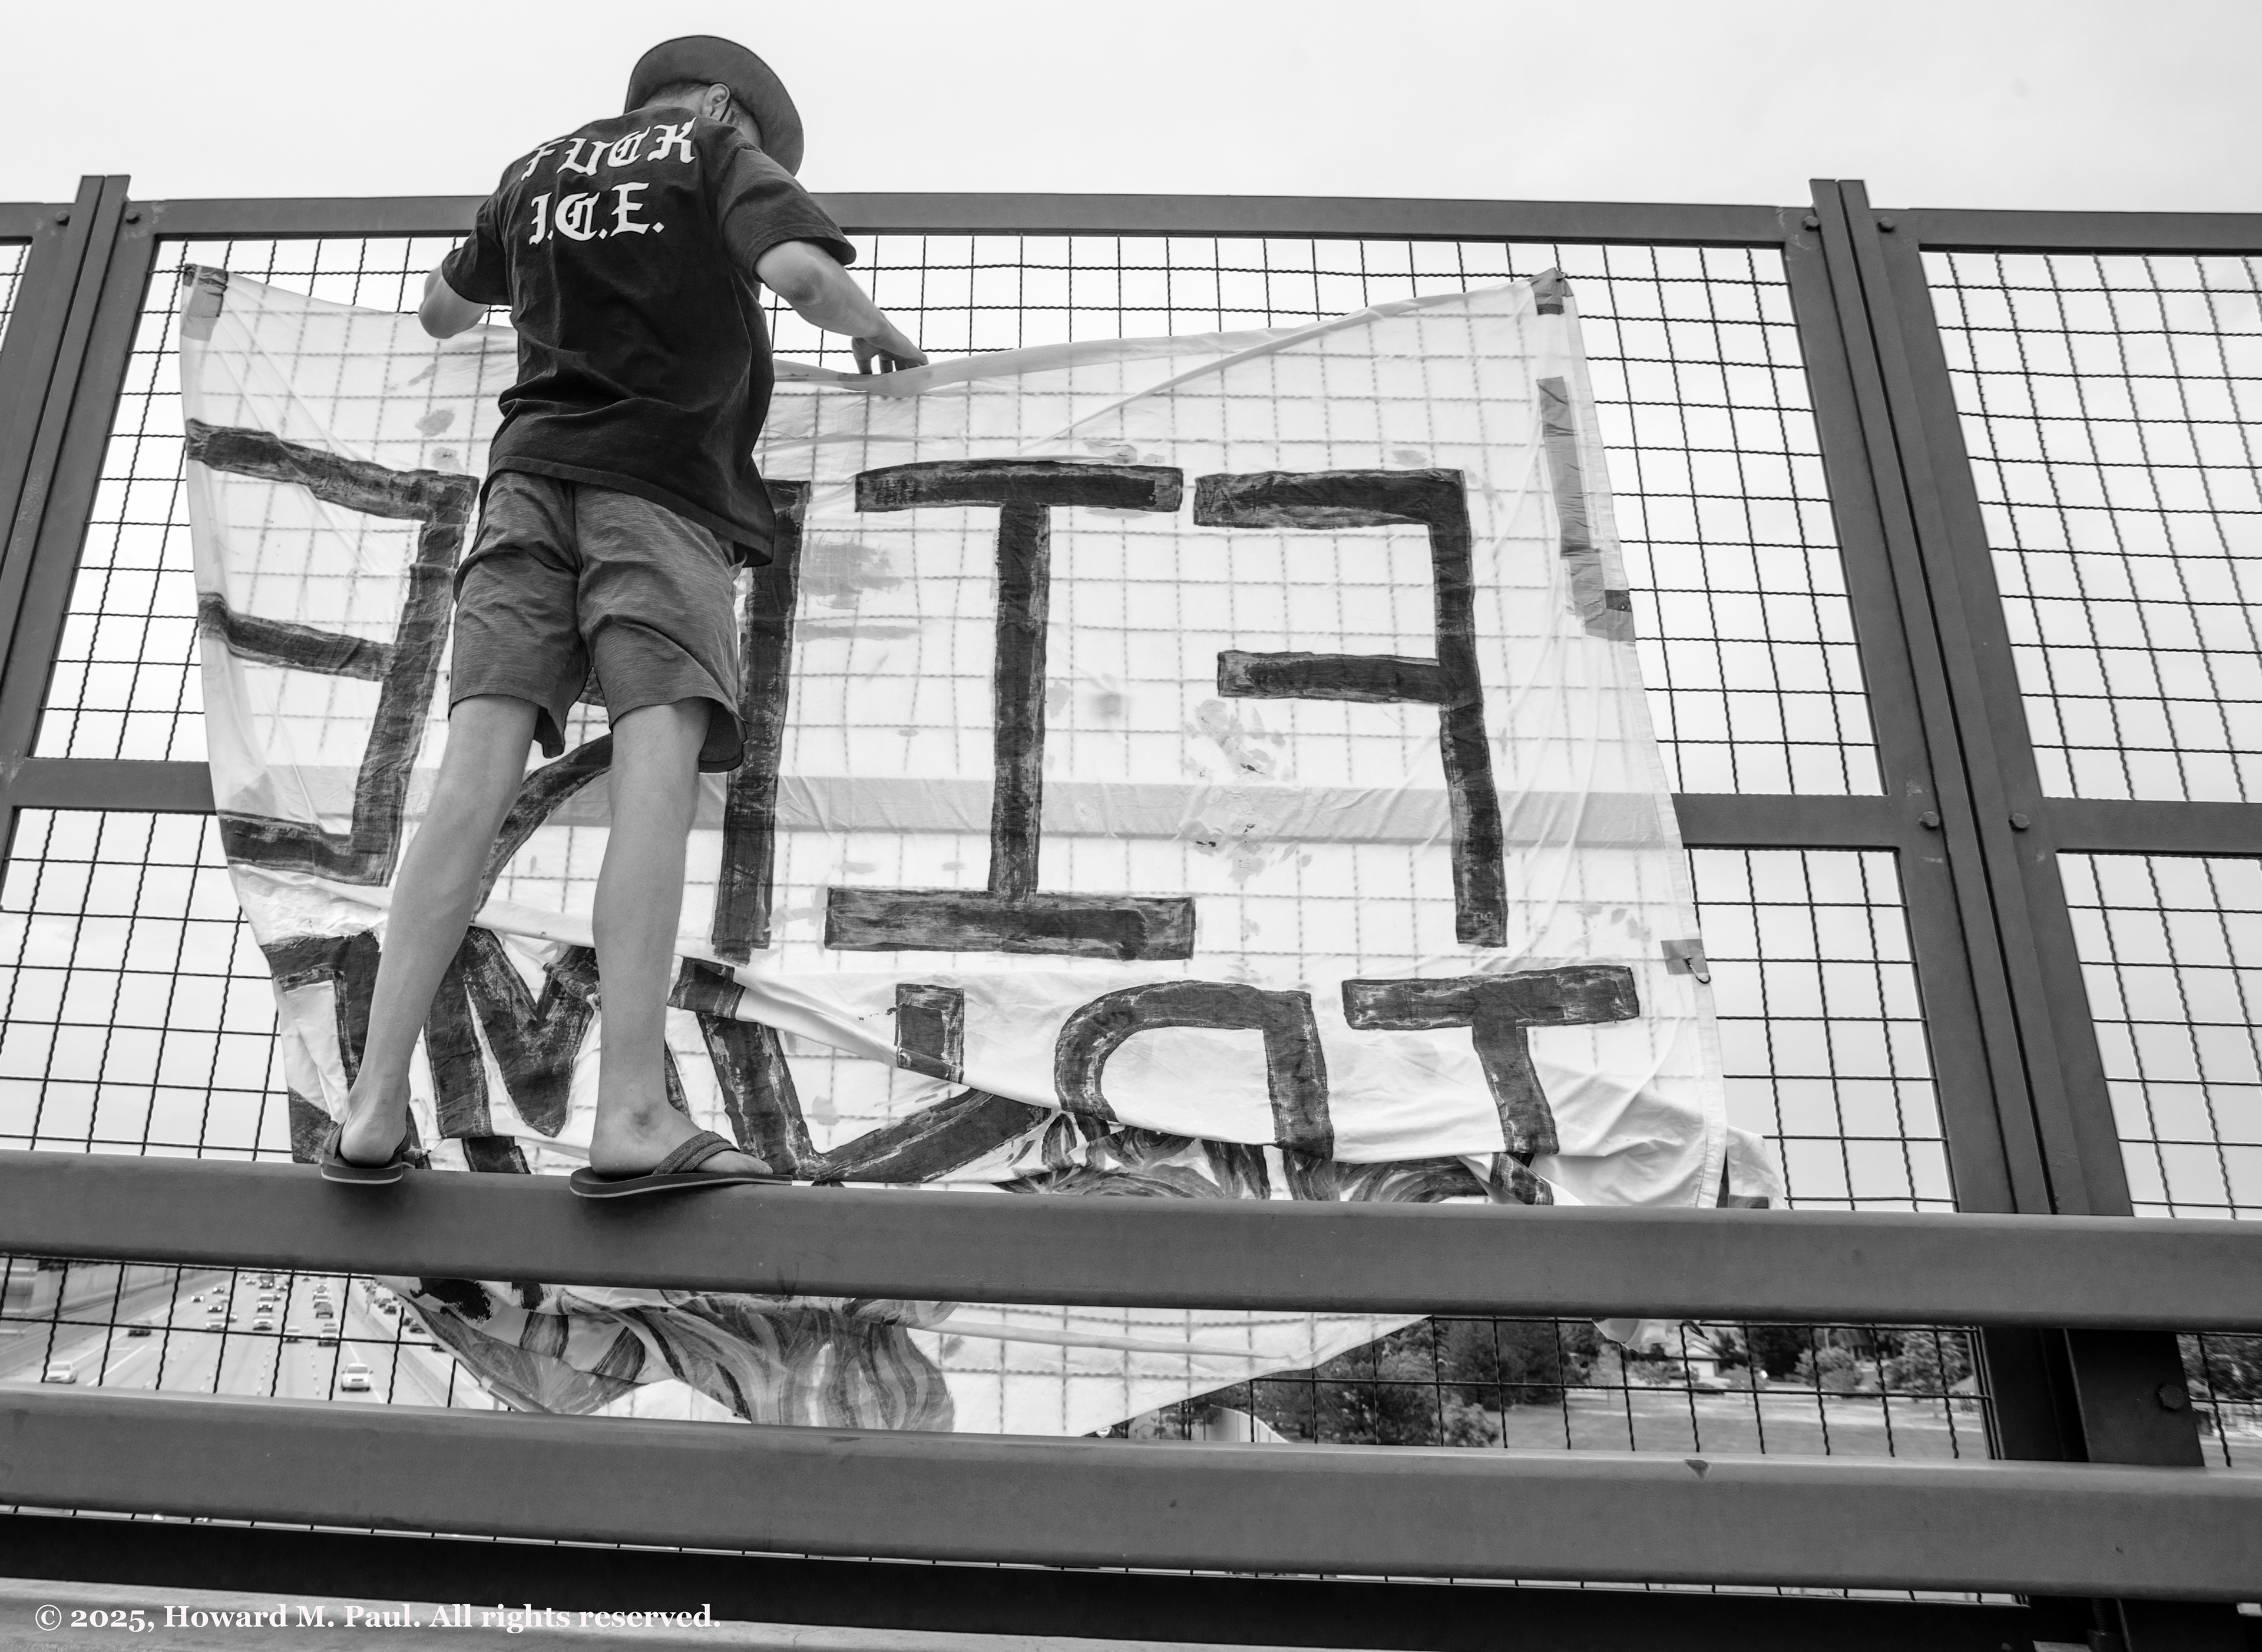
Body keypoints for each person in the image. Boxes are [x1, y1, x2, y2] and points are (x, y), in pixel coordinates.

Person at [320, 35, 925, 1196]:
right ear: (720, 104)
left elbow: (443, 310)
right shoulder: (712, 153)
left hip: (525, 483)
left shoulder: (535, 169)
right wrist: (879, 332)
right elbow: (800, 277)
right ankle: (634, 1112)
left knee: (467, 785)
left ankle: (370, 1101)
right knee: (653, 778)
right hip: (661, 494)